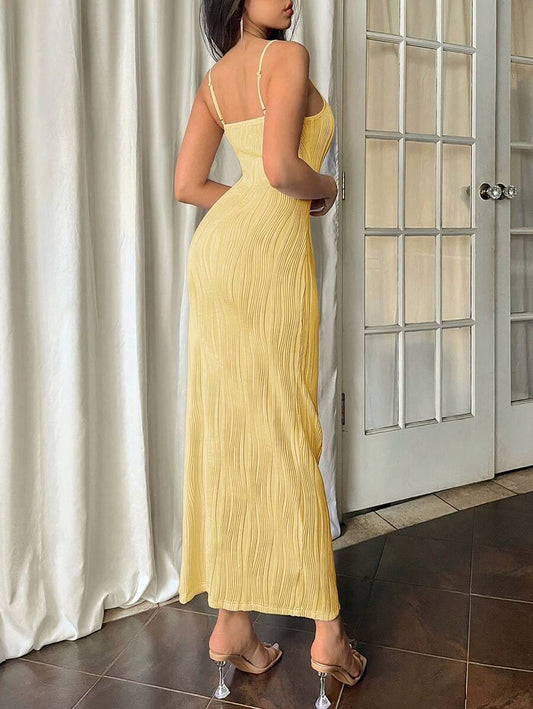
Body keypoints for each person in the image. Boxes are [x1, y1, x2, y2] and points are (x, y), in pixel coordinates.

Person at [174, 0, 366, 703]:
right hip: (269, 256)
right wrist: (328, 188)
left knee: (233, 428)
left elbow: (188, 185)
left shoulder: (215, 79)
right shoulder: (287, 56)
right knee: (288, 429)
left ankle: (232, 625)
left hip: (219, 252)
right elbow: (285, 169)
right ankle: (328, 637)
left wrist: (251, 198)